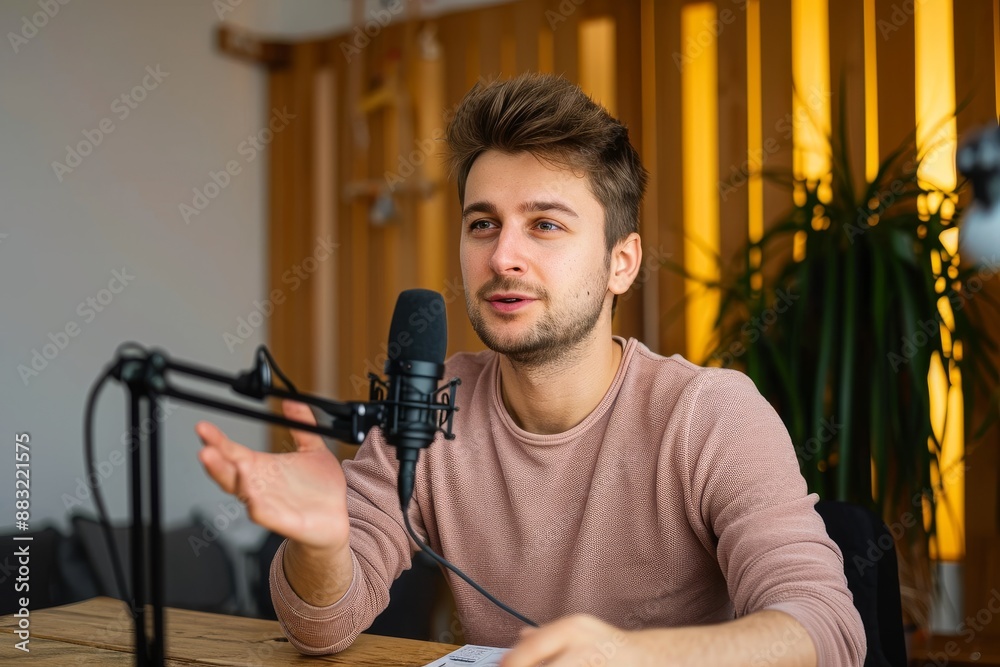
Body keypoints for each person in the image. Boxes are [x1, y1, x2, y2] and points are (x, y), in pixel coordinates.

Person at [196, 73, 866, 666]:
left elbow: (828, 631)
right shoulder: (431, 404)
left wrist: (634, 656)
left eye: (544, 225)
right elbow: (322, 627)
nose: (502, 256)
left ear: (621, 263)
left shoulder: (711, 414)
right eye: (482, 224)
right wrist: (321, 545)